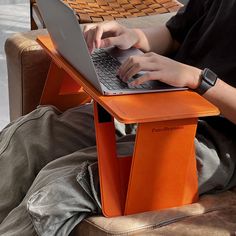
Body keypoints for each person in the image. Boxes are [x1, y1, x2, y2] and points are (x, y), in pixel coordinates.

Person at [1, 0, 236, 235]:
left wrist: (199, 80)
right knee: (29, 137)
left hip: (215, 140)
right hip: (158, 103)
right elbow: (174, 34)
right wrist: (133, 37)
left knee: (58, 189)